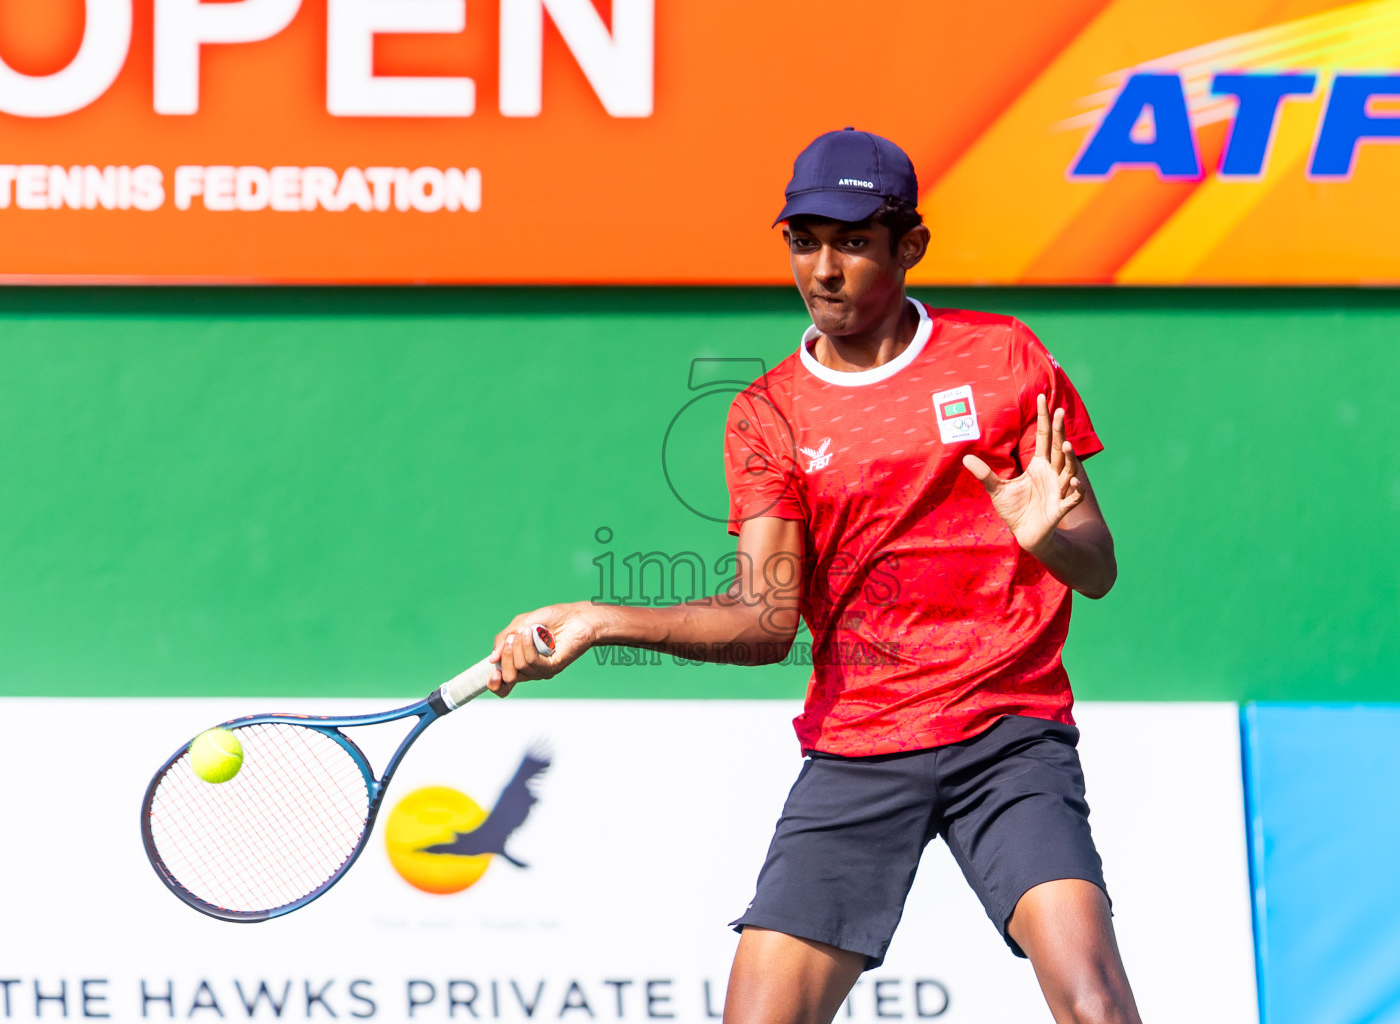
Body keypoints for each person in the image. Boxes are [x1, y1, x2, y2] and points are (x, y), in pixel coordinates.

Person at [489, 128, 1141, 1024]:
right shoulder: (767, 413)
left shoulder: (1002, 361)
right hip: (860, 745)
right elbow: (764, 623)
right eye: (804, 241)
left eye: (853, 243)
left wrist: (1045, 538)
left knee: (1094, 1001)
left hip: (1007, 736)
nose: (823, 269)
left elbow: (1096, 567)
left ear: (909, 246)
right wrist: (601, 620)